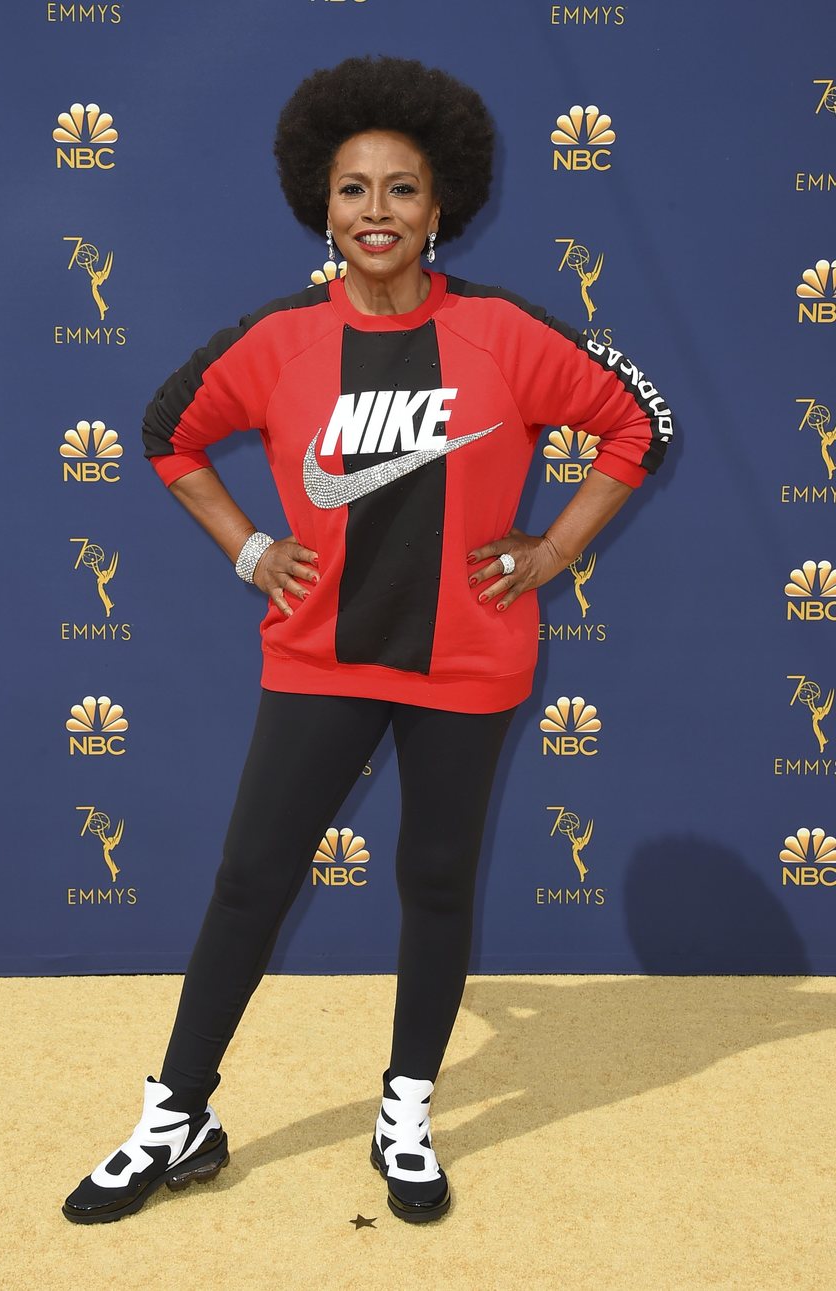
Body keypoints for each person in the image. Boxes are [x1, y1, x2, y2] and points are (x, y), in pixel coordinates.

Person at [62, 54, 672, 1226]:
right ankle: (178, 1112)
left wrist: (551, 555)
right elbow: (168, 433)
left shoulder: (505, 332)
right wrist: (251, 550)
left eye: (402, 189)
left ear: (442, 208)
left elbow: (636, 424)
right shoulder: (284, 338)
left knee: (435, 884)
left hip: (469, 662)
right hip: (320, 657)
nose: (377, 212)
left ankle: (407, 1103)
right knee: (249, 882)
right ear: (320, 203)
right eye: (354, 189)